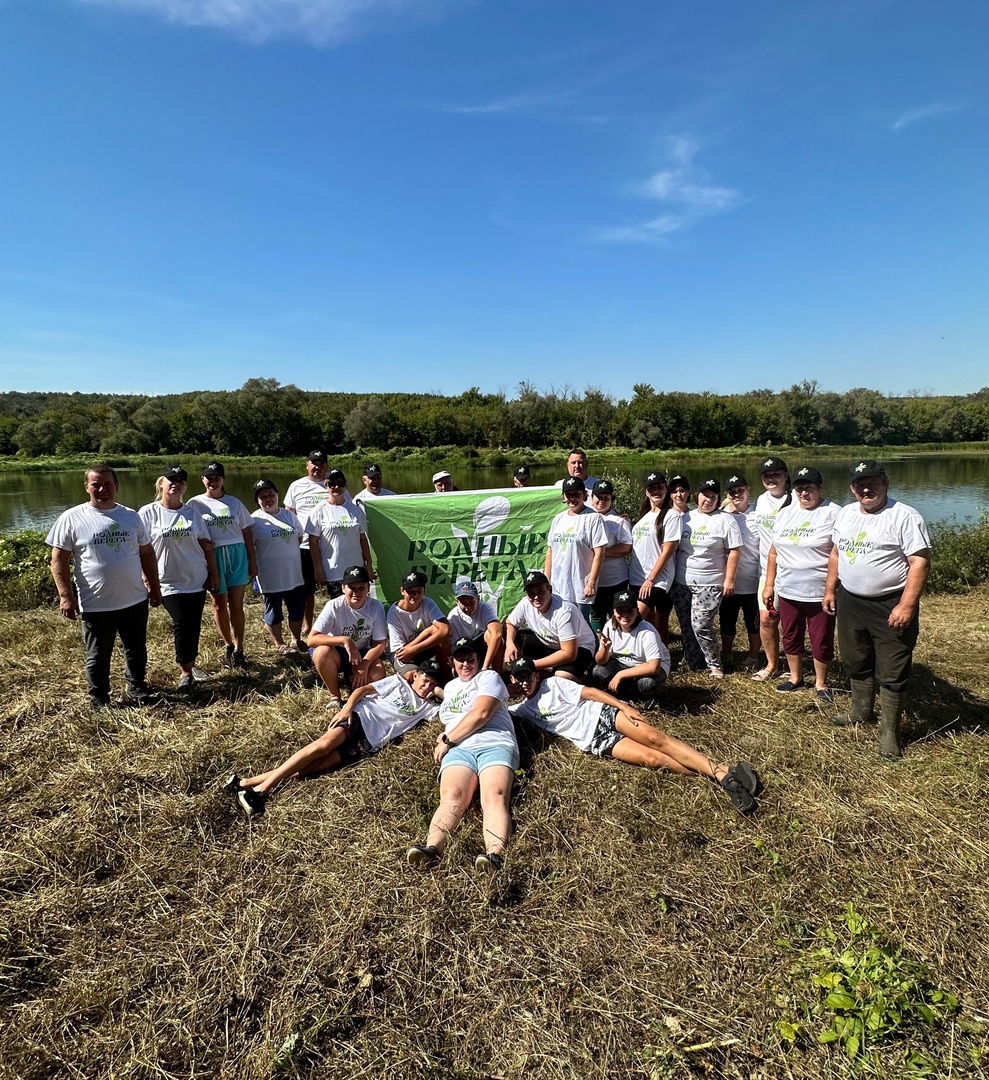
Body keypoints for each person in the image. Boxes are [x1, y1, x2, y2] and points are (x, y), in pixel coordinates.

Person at [507, 659, 760, 814]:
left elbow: (592, 694)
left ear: (536, 675)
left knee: (655, 739)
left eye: (528, 676)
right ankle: (723, 773)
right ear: (514, 681)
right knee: (653, 760)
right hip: (593, 740)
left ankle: (722, 776)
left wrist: (623, 707)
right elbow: (492, 706)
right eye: (519, 679)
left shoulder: (554, 684)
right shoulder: (521, 710)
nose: (525, 682)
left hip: (603, 714)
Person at [227, 659, 443, 817]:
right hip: (360, 717)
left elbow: (454, 704)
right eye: (425, 679)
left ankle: (245, 783)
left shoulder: (427, 708)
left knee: (320, 765)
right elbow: (364, 690)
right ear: (416, 675)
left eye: (433, 683)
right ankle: (261, 791)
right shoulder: (398, 683)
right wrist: (347, 708)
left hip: (370, 742)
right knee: (324, 745)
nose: (427, 686)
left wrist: (440, 692)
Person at [823, 460, 931, 759]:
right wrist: (830, 589)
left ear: (885, 482)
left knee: (892, 668)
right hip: (851, 601)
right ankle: (860, 711)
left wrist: (906, 605)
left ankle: (889, 734)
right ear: (852, 488)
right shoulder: (845, 514)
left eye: (872, 482)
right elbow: (835, 552)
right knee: (855, 657)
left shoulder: (905, 516)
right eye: (860, 484)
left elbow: (919, 562)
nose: (866, 488)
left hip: (890, 603)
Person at [47, 463, 163, 709]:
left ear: (117, 487)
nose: (102, 489)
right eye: (96, 484)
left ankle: (137, 687)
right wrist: (66, 596)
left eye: (108, 484)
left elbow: (147, 553)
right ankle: (99, 699)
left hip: (135, 599)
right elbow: (58, 559)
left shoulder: (131, 516)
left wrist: (154, 586)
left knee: (136, 648)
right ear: (87, 486)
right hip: (96, 603)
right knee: (98, 656)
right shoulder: (72, 517)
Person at [407, 638, 519, 872]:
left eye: (471, 659)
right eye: (460, 659)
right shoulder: (450, 688)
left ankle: (494, 854)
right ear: (452, 663)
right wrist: (445, 735)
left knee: (494, 796)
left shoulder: (488, 678)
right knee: (452, 795)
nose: (465, 663)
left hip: (493, 742)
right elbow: (454, 718)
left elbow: (482, 713)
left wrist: (448, 739)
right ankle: (431, 848)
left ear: (478, 661)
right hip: (460, 748)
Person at [139, 466, 218, 690]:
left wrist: (213, 574)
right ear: (161, 484)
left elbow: (206, 545)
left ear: (185, 486)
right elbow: (139, 549)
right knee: (182, 622)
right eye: (171, 480)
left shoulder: (193, 513)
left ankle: (189, 665)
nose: (176, 483)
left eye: (180, 480)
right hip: (166, 580)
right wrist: (146, 578)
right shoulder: (148, 513)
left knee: (192, 624)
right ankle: (185, 670)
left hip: (196, 578)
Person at [763, 467, 839, 700]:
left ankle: (821, 683)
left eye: (809, 488)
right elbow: (774, 552)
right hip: (788, 588)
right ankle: (795, 677)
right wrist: (769, 584)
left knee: (821, 638)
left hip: (819, 591)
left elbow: (837, 552)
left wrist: (830, 590)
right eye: (799, 488)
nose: (804, 493)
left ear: (820, 488)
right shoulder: (786, 513)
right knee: (791, 634)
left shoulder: (834, 512)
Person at [669, 478, 742, 678]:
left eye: (712, 496)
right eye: (704, 495)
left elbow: (734, 551)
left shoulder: (725, 520)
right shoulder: (685, 518)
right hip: (682, 582)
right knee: (686, 625)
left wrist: (729, 579)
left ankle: (714, 664)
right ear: (696, 497)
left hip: (710, 582)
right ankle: (694, 661)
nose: (708, 500)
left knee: (701, 625)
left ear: (718, 499)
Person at [188, 462, 258, 668]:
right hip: (213, 555)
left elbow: (246, 532)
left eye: (217, 477)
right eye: (209, 477)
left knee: (236, 605)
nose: (213, 481)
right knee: (219, 604)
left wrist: (252, 560)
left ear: (223, 480)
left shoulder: (234, 503)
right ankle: (227, 644)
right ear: (202, 480)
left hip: (236, 554)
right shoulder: (194, 504)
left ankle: (239, 648)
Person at [308, 565, 388, 711]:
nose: (356, 592)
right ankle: (335, 697)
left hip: (361, 652)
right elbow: (311, 639)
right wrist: (344, 640)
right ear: (343, 587)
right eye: (352, 588)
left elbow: (380, 643)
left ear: (368, 588)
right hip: (337, 652)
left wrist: (364, 665)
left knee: (378, 672)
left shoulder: (376, 606)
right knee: (321, 653)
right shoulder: (334, 606)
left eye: (361, 588)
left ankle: (357, 689)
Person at [503, 570, 597, 681]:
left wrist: (531, 664)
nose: (536, 597)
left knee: (561, 679)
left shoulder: (565, 611)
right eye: (531, 593)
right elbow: (510, 623)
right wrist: (509, 643)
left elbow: (569, 653)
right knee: (504, 635)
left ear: (550, 590)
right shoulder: (525, 603)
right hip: (550, 643)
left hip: (578, 648)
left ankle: (571, 674)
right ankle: (535, 674)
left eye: (540, 591)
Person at [749, 457, 793, 683]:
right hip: (767, 572)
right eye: (766, 476)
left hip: (794, 572)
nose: (771, 479)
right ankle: (772, 664)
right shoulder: (761, 501)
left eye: (776, 474)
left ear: (786, 476)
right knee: (767, 619)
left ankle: (795, 666)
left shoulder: (797, 498)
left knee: (792, 623)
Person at [251, 479, 307, 655]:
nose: (268, 499)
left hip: (293, 573)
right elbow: (249, 547)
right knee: (274, 612)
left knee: (297, 610)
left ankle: (296, 640)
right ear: (257, 501)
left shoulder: (289, 515)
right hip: (270, 576)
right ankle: (279, 643)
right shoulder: (254, 521)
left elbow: (299, 537)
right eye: (262, 496)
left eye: (270, 494)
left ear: (277, 495)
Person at [544, 477, 608, 625]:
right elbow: (550, 551)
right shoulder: (558, 519)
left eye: (576, 494)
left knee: (581, 625)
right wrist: (546, 581)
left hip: (580, 585)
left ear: (584, 495)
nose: (572, 498)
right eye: (569, 494)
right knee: (561, 624)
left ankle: (594, 648)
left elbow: (600, 553)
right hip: (558, 585)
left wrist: (591, 583)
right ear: (564, 497)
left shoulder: (593, 518)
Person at [589, 586, 669, 703]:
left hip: (646, 666)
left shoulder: (647, 631)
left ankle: (655, 695)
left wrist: (620, 675)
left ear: (637, 611)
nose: (625, 615)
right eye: (620, 610)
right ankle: (628, 687)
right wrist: (605, 649)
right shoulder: (609, 626)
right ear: (614, 612)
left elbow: (654, 667)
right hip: (623, 663)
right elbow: (600, 661)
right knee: (597, 672)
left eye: (629, 610)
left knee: (646, 684)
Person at [628, 471, 681, 646]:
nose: (656, 490)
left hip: (656, 580)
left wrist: (651, 578)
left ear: (666, 488)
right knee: (650, 625)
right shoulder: (645, 516)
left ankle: (636, 661)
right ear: (646, 491)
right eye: (651, 487)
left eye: (659, 486)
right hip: (637, 577)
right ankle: (660, 657)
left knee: (633, 621)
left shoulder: (671, 515)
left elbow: (668, 550)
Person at [306, 469, 375, 597]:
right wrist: (317, 568)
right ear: (326, 485)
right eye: (332, 484)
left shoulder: (355, 509)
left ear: (345, 485)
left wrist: (369, 566)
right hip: (333, 571)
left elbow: (363, 539)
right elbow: (313, 542)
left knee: (359, 605)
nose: (336, 487)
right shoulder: (319, 510)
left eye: (340, 483)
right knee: (339, 610)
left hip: (356, 569)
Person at [285, 450, 330, 636]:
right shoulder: (296, 486)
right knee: (307, 590)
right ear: (307, 465)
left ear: (326, 466)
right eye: (314, 463)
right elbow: (289, 514)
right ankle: (307, 625)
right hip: (304, 546)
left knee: (336, 585)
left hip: (329, 546)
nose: (317, 467)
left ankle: (337, 621)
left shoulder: (333, 484)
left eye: (321, 464)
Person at [720, 473, 762, 672]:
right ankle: (726, 654)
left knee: (753, 622)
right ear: (727, 494)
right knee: (727, 620)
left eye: (741, 490)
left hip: (752, 581)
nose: (737, 494)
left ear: (748, 491)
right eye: (732, 491)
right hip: (728, 581)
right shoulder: (721, 515)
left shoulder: (758, 515)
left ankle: (754, 656)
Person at [589, 479, 633, 632]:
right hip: (593, 581)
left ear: (612, 499)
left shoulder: (619, 521)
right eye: (598, 497)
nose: (602, 501)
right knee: (595, 617)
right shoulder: (585, 519)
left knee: (618, 616)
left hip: (616, 580)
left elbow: (627, 547)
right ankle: (599, 649)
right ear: (592, 498)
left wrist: (600, 554)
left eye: (606, 497)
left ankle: (619, 648)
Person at [387, 570, 451, 674]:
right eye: (411, 591)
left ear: (424, 590)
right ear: (402, 591)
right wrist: (426, 633)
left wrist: (414, 648)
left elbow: (446, 630)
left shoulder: (427, 602)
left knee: (439, 632)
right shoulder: (394, 613)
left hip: (417, 648)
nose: (415, 595)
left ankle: (445, 676)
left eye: (419, 591)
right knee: (412, 676)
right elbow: (400, 652)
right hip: (403, 652)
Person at [446, 579, 504, 671]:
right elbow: (454, 647)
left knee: (493, 636)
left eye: (471, 602)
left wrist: (485, 667)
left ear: (478, 599)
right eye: (463, 603)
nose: (467, 607)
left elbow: (497, 633)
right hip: (464, 651)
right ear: (457, 602)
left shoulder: (485, 608)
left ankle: (498, 675)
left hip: (483, 649)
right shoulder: (453, 616)